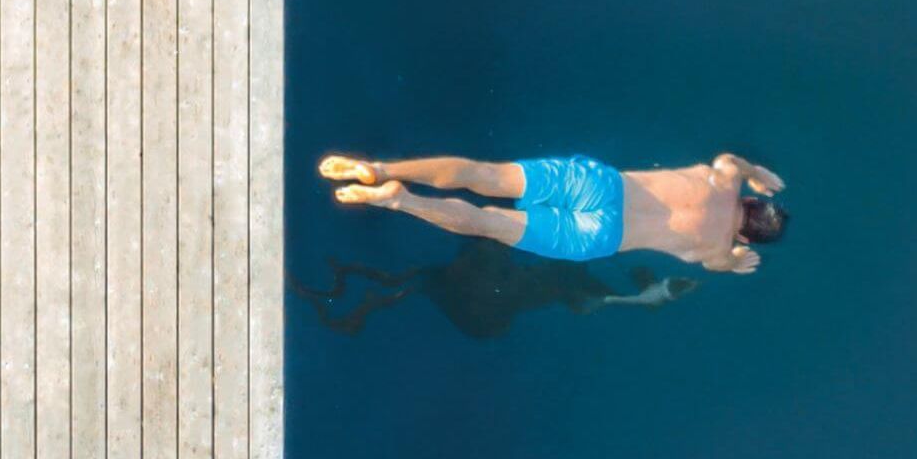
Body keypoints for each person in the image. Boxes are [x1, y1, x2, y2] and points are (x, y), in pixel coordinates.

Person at [317, 151, 787, 273]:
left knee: (490, 176)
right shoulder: (716, 247)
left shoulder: (722, 179)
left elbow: (731, 160)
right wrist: (736, 260)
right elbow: (723, 264)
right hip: (600, 237)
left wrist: (755, 172)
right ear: (746, 235)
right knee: (490, 223)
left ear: (752, 201)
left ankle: (378, 168)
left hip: (602, 185)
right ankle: (400, 199)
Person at [288, 238, 701, 338]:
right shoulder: (550, 280)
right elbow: (590, 299)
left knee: (410, 283)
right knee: (411, 283)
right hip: (489, 304)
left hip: (489, 303)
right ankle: (330, 293)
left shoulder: (548, 279)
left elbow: (590, 299)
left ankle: (330, 292)